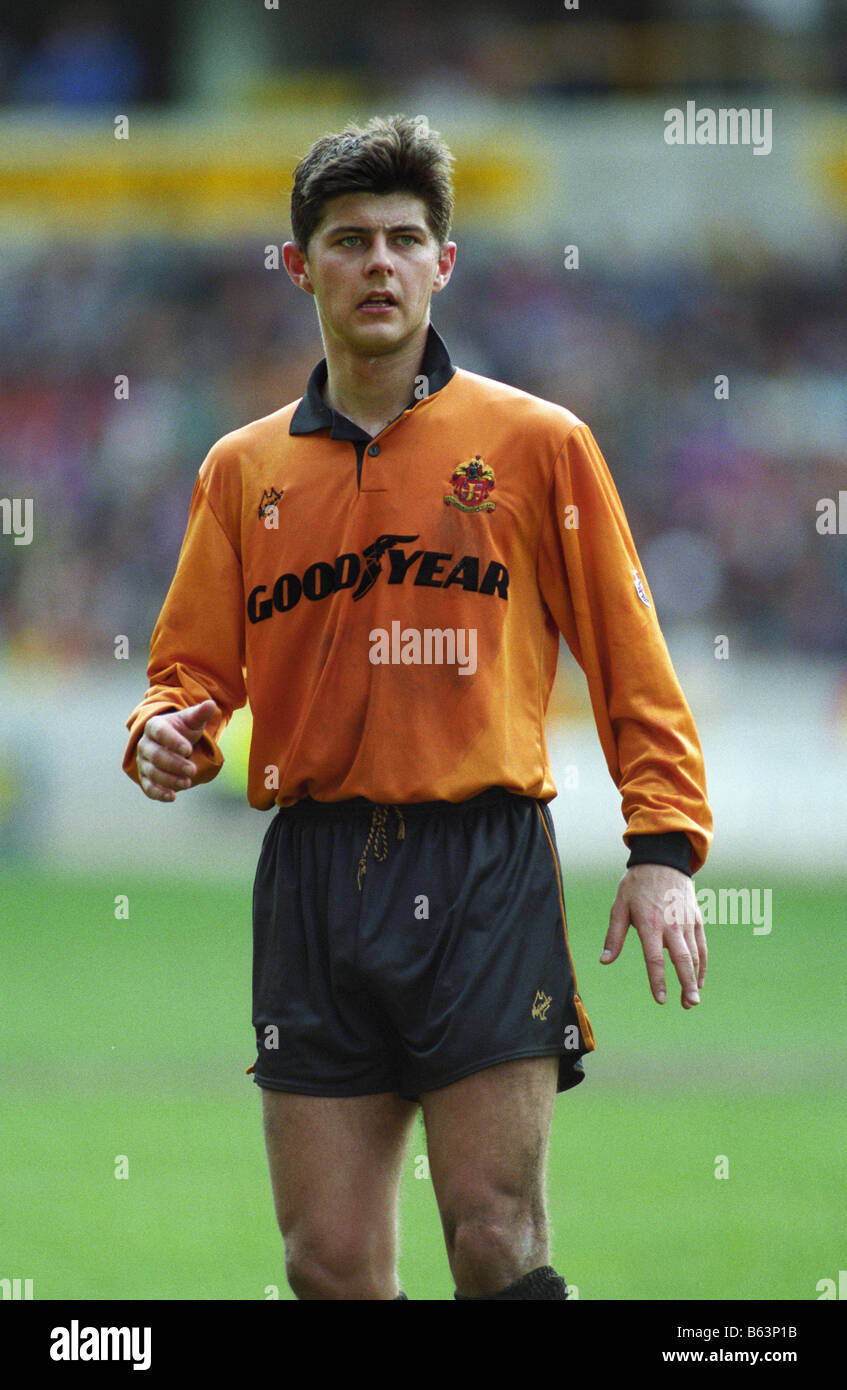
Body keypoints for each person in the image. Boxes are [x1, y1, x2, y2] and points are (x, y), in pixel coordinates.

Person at [123, 114, 712, 1301]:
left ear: (446, 262)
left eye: (404, 239)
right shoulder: (241, 470)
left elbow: (629, 654)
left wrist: (663, 849)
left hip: (482, 862)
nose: (378, 263)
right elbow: (186, 675)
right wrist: (160, 734)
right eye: (348, 241)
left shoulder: (538, 444)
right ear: (300, 268)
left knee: (494, 1242)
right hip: (312, 872)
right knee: (326, 1263)